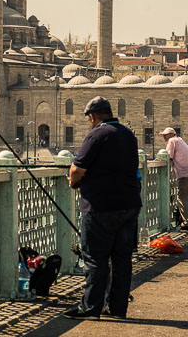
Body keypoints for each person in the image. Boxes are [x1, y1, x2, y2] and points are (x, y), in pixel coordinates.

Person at [64, 96, 142, 320]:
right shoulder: (128, 134)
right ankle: (117, 308)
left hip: (101, 207)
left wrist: (72, 182)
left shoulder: (97, 134)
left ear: (92, 116)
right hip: (130, 204)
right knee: (122, 259)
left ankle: (91, 308)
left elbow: (77, 170)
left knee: (95, 258)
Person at [160, 127, 188, 230]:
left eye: (165, 135)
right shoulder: (180, 140)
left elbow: (167, 157)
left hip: (184, 174)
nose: (164, 137)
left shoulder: (172, 141)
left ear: (170, 134)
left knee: (182, 198)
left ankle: (186, 222)